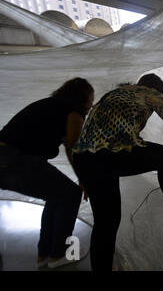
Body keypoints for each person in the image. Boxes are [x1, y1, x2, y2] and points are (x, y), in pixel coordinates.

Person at [72, 73, 163, 271]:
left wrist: (82, 175)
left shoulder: (113, 93)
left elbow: (90, 129)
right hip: (115, 152)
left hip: (85, 157)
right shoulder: (149, 93)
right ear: (157, 89)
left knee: (106, 222)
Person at [0, 77, 94, 269]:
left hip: (7, 156)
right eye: (91, 100)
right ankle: (58, 254)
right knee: (71, 194)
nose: (91, 105)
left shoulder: (51, 105)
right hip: (12, 158)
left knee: (57, 195)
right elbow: (73, 147)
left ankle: (45, 254)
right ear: (84, 98)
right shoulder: (74, 111)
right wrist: (84, 180)